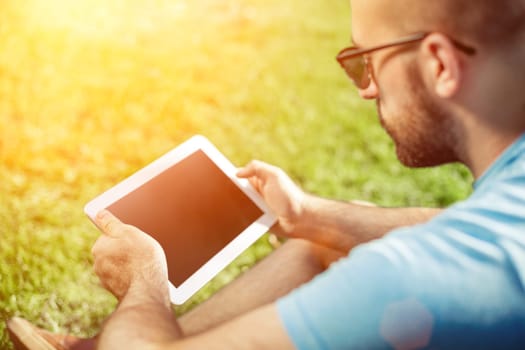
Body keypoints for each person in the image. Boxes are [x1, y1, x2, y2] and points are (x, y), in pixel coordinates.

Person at [7, 0, 525, 348]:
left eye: (365, 61)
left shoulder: (407, 277)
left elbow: (438, 256)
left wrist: (146, 284)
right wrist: (309, 216)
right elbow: (465, 232)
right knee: (332, 239)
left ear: (439, 64)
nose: (365, 89)